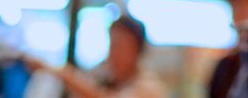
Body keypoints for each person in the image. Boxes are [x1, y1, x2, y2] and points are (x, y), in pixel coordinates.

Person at [27, 14, 165, 97]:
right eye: (112, 46)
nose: (114, 53)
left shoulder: (149, 87)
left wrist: (61, 73)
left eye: (121, 47)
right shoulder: (103, 76)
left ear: (138, 50)